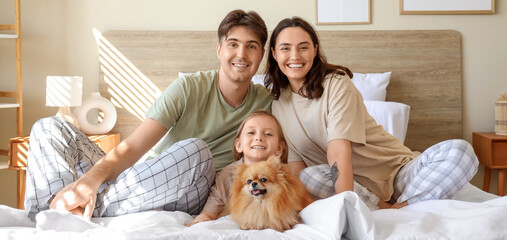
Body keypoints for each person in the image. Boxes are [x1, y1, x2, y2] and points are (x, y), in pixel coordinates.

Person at [24, 9, 272, 220]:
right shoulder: (188, 88)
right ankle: (51, 214)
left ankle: (72, 210)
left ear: (261, 55)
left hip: (194, 190)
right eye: (233, 44)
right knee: (49, 126)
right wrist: (90, 180)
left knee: (197, 150)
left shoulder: (267, 103)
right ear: (219, 50)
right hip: (141, 179)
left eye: (251, 47)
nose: (241, 54)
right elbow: (132, 148)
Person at [265, 16, 478, 209]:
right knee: (307, 177)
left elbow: (338, 149)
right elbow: (296, 167)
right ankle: (396, 207)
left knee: (461, 151)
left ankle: (399, 210)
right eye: (285, 48)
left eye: (303, 47)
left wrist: (349, 209)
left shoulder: (337, 84)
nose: (295, 56)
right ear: (274, 53)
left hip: (400, 175)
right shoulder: (276, 103)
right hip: (357, 188)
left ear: (314, 50)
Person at [186, 110, 288, 226]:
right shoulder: (229, 173)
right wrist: (204, 217)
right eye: (251, 132)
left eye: (268, 134)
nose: (259, 138)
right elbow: (210, 210)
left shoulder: (283, 176)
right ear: (239, 145)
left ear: (279, 148)